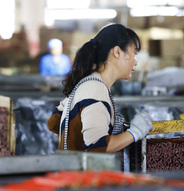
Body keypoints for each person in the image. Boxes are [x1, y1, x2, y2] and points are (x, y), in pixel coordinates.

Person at [47, 24, 153, 153]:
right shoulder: (95, 90)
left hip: (72, 169)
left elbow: (53, 122)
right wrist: (135, 132)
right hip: (83, 172)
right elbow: (97, 147)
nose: (136, 61)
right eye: (134, 54)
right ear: (117, 52)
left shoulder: (88, 83)